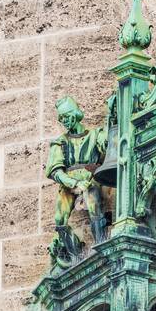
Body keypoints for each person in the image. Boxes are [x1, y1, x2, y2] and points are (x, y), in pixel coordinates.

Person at [46, 96, 108, 260]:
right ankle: (74, 253)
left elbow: (106, 146)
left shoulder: (95, 135)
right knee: (60, 218)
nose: (64, 121)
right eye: (61, 118)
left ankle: (101, 243)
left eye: (66, 116)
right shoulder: (60, 142)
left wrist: (109, 129)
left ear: (75, 114)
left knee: (95, 207)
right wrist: (74, 183)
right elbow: (56, 172)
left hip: (90, 178)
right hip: (68, 182)